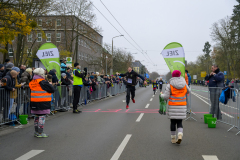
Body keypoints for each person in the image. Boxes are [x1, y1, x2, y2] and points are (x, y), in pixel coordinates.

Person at [161, 70, 190, 144]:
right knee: (180, 122)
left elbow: (166, 97)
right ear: (180, 75)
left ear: (173, 76)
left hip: (173, 106)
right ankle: (180, 135)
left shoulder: (170, 84)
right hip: (182, 105)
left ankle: (173, 139)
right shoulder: (184, 83)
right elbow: (189, 91)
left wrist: (161, 95)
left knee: (173, 122)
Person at [29, 68, 55, 138]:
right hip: (43, 101)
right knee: (42, 116)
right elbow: (52, 89)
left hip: (34, 101)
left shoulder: (33, 81)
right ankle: (40, 132)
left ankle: (36, 132)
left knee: (36, 116)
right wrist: (50, 84)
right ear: (41, 74)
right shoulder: (43, 82)